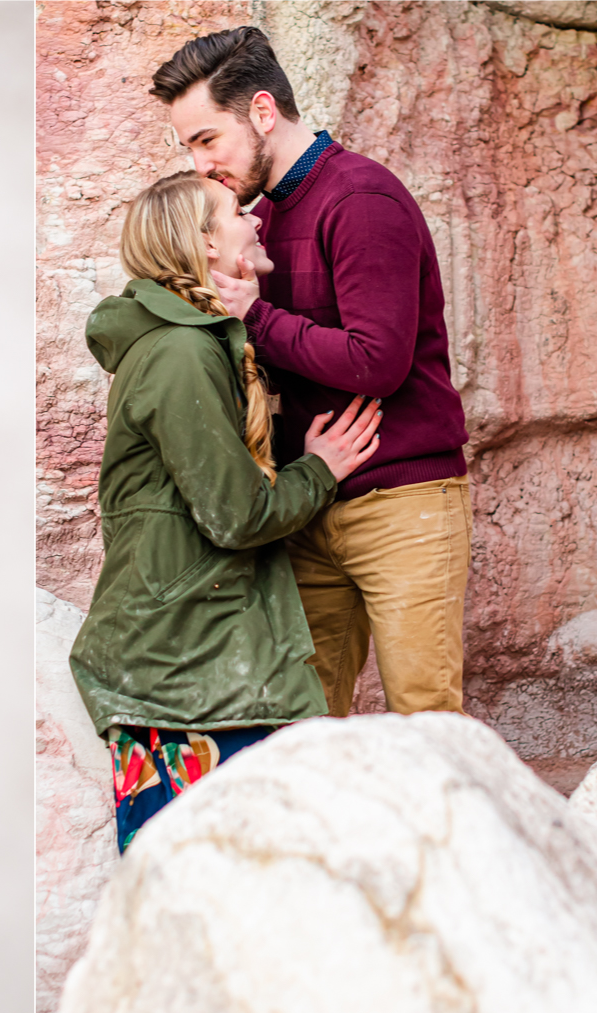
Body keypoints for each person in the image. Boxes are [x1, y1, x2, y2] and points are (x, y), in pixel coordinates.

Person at [150, 27, 474, 719]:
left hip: (401, 500)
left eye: (208, 140)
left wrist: (256, 319)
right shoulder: (257, 220)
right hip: (306, 503)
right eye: (190, 148)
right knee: (306, 721)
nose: (201, 164)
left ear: (262, 113)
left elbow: (376, 362)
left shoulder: (359, 198)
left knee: (427, 716)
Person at [70, 170, 382, 852]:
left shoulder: (196, 342)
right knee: (183, 897)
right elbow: (234, 515)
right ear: (205, 246)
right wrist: (319, 469)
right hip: (178, 676)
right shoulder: (181, 352)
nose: (257, 220)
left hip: (199, 670)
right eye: (238, 212)